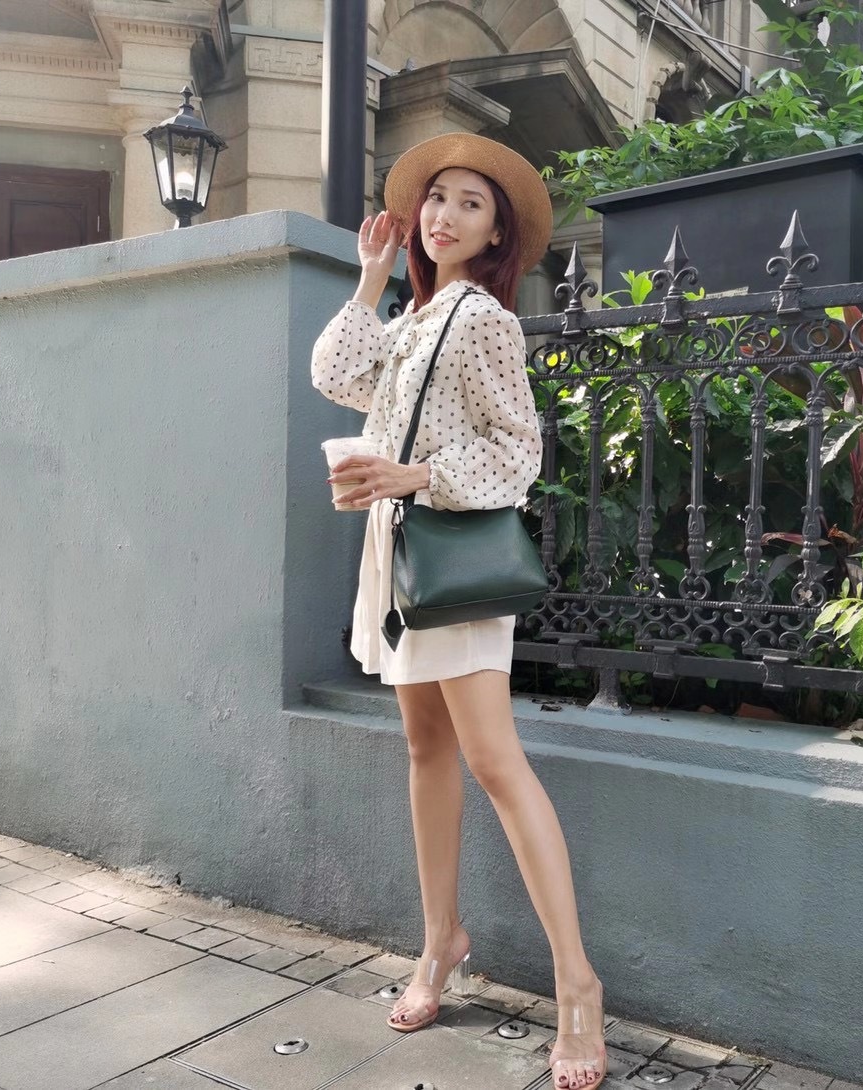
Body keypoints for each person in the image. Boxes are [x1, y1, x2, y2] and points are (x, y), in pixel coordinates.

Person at [310, 133, 606, 1090]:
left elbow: (520, 449)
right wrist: (370, 279)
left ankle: (577, 985)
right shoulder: (415, 316)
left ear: (496, 233)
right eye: (437, 196)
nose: (444, 215)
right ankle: (440, 941)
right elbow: (335, 377)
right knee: (426, 750)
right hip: (402, 554)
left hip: (450, 556)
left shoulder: (481, 319)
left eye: (470, 203)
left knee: (494, 761)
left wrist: (415, 476)